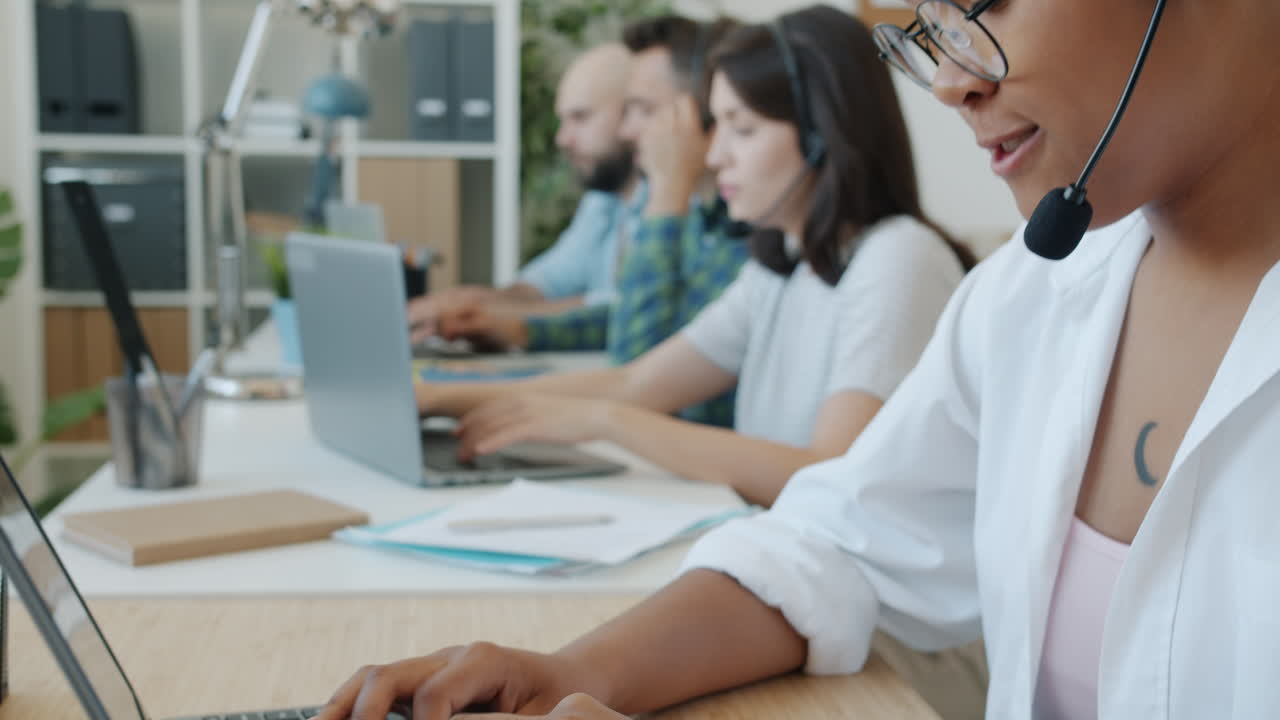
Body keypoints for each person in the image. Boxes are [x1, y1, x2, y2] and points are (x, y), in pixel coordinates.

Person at [316, 0, 1280, 718]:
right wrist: (574, 674)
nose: (950, 79)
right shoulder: (1032, 298)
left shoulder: (908, 264)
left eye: (983, 3)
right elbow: (840, 538)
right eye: (924, 32)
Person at [409, 7, 966, 512]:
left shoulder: (897, 257)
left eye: (741, 129)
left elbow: (830, 472)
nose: (716, 153)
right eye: (717, 124)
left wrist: (609, 424)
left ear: (824, 135)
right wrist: (440, 399)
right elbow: (635, 382)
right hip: (784, 556)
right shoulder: (781, 265)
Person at [437, 18, 754, 431]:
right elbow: (646, 321)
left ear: (700, 115)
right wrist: (520, 329)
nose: (627, 130)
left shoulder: (744, 235)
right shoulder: (707, 219)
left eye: (642, 109)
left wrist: (668, 189)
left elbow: (635, 359)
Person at [405, 43, 643, 340]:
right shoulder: (605, 201)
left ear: (635, 114)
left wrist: (490, 318)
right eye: (562, 120)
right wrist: (460, 301)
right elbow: (543, 285)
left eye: (580, 118)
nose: (562, 139)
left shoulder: (675, 203)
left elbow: (624, 307)